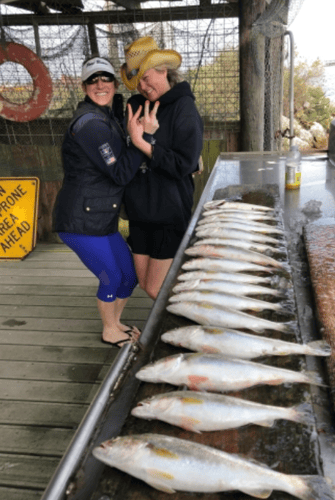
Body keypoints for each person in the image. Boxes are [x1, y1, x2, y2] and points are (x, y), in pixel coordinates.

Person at [53, 55, 159, 347]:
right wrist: (145, 139)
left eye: (106, 78)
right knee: (111, 276)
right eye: (93, 80)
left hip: (102, 218)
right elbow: (121, 172)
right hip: (79, 221)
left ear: (113, 83)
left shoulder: (108, 116)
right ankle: (109, 330)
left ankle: (115, 323)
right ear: (84, 86)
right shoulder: (90, 124)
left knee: (128, 275)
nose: (100, 85)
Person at [120, 36, 204, 300]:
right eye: (138, 82)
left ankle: (186, 329)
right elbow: (124, 151)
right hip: (139, 211)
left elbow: (184, 164)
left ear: (164, 71)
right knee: (145, 284)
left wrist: (144, 142)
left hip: (168, 211)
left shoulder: (184, 108)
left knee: (158, 288)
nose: (144, 87)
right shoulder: (134, 106)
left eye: (148, 78)